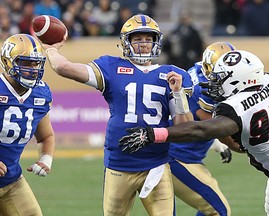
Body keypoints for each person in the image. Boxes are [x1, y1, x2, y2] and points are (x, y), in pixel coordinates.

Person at [42, 14, 193, 216]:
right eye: (138, 39)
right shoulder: (111, 67)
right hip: (119, 165)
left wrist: (177, 93)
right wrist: (51, 49)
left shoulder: (174, 74)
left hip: (156, 165)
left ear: (156, 42)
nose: (144, 44)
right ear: (126, 42)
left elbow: (185, 128)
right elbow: (64, 67)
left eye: (148, 39)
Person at [119, 49, 269, 216]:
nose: (214, 83)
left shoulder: (236, 108)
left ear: (239, 81)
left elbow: (200, 130)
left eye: (220, 78)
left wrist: (153, 134)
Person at [169, 42, 240, 216]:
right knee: (219, 211)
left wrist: (215, 144)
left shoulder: (197, 71)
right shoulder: (205, 87)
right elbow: (215, 127)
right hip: (177, 157)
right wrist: (247, 147)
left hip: (175, 152)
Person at [0, 34, 55, 215]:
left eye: (36, 64)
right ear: (7, 61)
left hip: (11, 181)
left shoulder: (40, 94)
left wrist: (46, 159)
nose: (32, 70)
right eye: (26, 63)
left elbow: (46, 136)